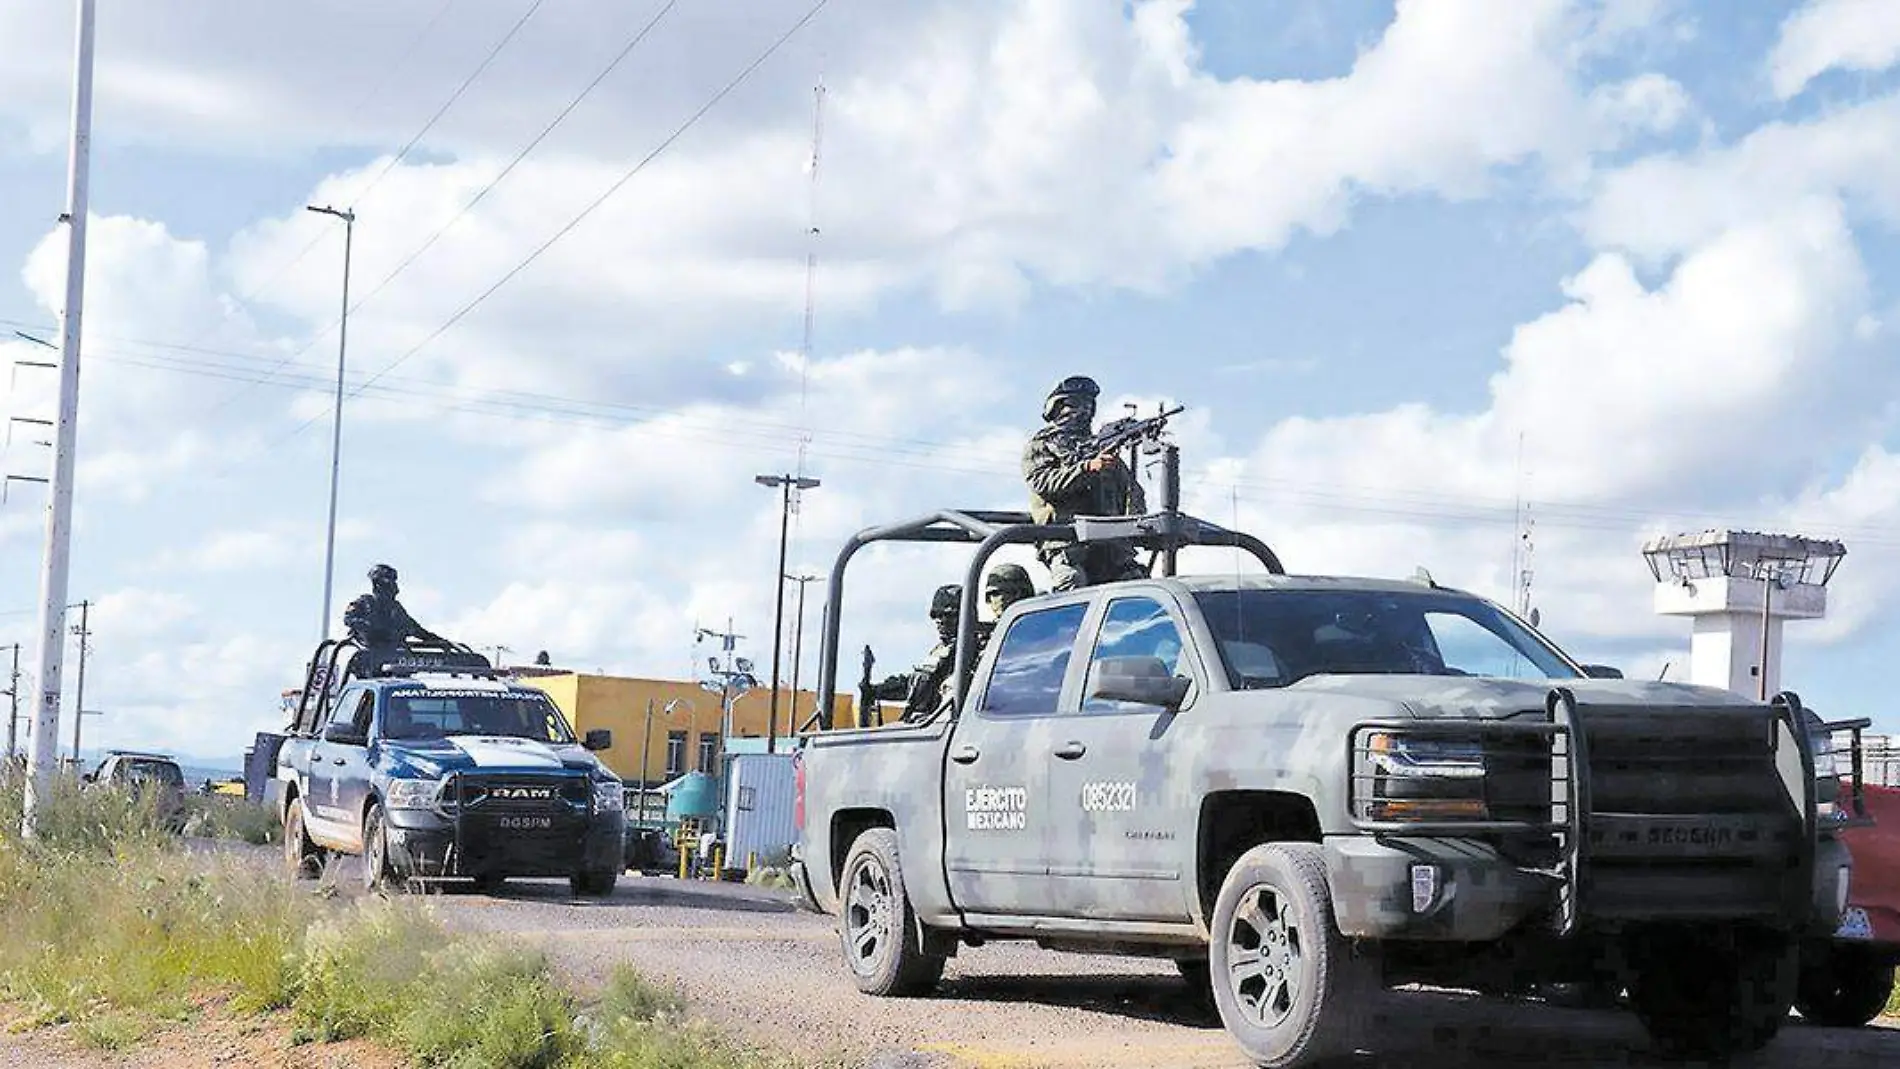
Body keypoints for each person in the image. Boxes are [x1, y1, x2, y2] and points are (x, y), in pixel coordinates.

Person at [1022, 375, 1148, 591]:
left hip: (1110, 545)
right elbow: (1042, 482)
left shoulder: (1099, 447)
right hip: (1067, 541)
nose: (1085, 410)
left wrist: (1137, 528)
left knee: (1136, 586)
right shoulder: (1043, 444)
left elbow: (1132, 491)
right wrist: (1087, 468)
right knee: (1071, 582)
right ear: (1058, 407)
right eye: (1077, 404)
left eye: (1089, 405)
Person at [343, 564, 449, 649]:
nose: (394, 590)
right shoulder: (364, 604)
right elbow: (348, 619)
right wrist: (370, 628)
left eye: (393, 584)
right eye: (387, 585)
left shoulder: (396, 610)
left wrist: (441, 642)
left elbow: (417, 631)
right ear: (377, 586)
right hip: (369, 658)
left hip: (395, 660)